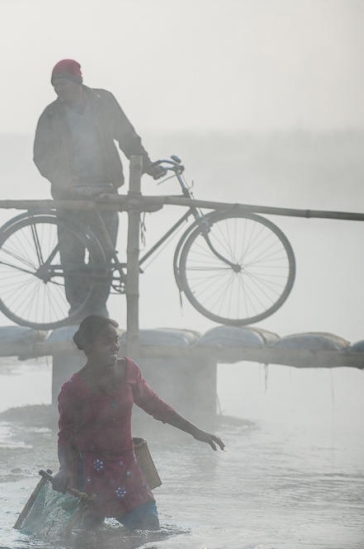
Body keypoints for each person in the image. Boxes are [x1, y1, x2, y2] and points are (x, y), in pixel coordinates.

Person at [52, 315, 224, 530]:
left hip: (127, 471)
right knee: (88, 539)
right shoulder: (73, 390)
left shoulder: (128, 371)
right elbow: (66, 435)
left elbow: (156, 406)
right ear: (88, 346)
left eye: (116, 340)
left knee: (148, 529)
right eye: (107, 341)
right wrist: (64, 468)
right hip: (90, 477)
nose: (115, 346)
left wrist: (195, 432)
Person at [33, 59, 166, 318]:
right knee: (71, 256)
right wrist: (64, 181)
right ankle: (77, 311)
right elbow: (41, 155)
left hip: (105, 190)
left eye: (63, 84)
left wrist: (147, 165)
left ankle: (98, 311)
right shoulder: (51, 114)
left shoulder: (103, 102)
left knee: (103, 255)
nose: (59, 90)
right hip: (69, 196)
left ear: (77, 83)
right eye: (55, 85)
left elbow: (127, 136)